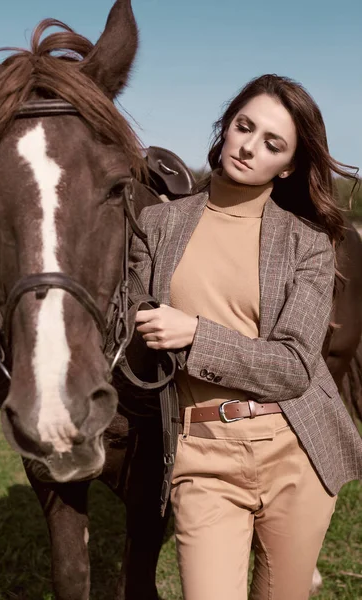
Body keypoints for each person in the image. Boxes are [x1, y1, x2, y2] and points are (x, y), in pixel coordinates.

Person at [129, 74, 362, 600]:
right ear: (226, 126)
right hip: (201, 454)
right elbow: (132, 330)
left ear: (289, 166)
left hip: (294, 448)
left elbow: (294, 366)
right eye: (244, 126)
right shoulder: (156, 224)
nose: (250, 146)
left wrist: (193, 335)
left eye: (272, 144)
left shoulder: (308, 244)